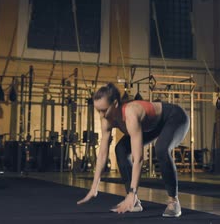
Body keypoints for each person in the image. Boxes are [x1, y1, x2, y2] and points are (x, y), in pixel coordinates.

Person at [76, 83, 190, 217]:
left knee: (161, 149)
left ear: (115, 104)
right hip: (152, 126)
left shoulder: (131, 113)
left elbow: (138, 158)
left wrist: (133, 191)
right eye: (98, 111)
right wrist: (94, 187)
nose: (101, 115)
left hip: (174, 117)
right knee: (121, 149)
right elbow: (102, 154)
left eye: (104, 110)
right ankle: (134, 202)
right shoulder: (107, 119)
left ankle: (173, 201)